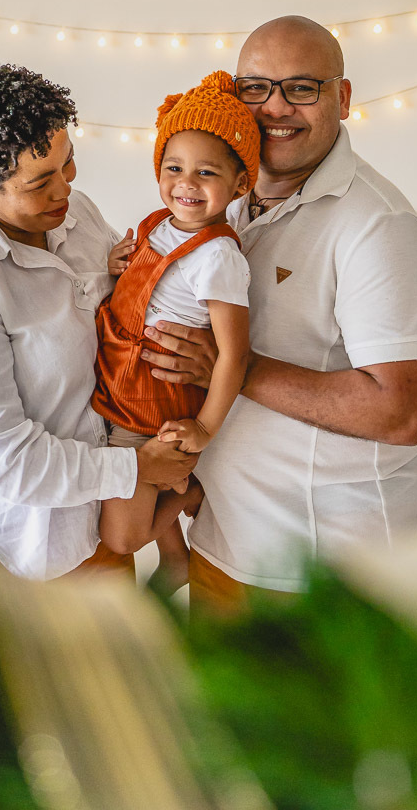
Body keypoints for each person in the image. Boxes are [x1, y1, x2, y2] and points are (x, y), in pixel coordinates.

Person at [144, 17, 417, 610]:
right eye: (255, 88)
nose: (275, 107)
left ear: (342, 98)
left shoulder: (377, 225)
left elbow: (401, 412)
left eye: (302, 88)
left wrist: (233, 367)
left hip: (328, 573)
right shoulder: (222, 197)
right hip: (223, 543)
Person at [0, 57, 195, 581]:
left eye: (69, 162)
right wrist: (136, 467)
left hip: (103, 523)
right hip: (24, 553)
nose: (64, 188)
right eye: (40, 182)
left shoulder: (76, 213)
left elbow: (131, 310)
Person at [92, 71, 260, 592]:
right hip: (117, 384)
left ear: (240, 184)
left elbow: (233, 354)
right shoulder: (156, 225)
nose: (186, 183)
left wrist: (204, 429)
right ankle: (175, 556)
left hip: (154, 404)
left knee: (120, 537)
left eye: (206, 172)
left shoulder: (219, 257)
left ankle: (190, 491)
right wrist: (120, 264)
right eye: (174, 168)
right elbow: (146, 285)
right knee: (136, 491)